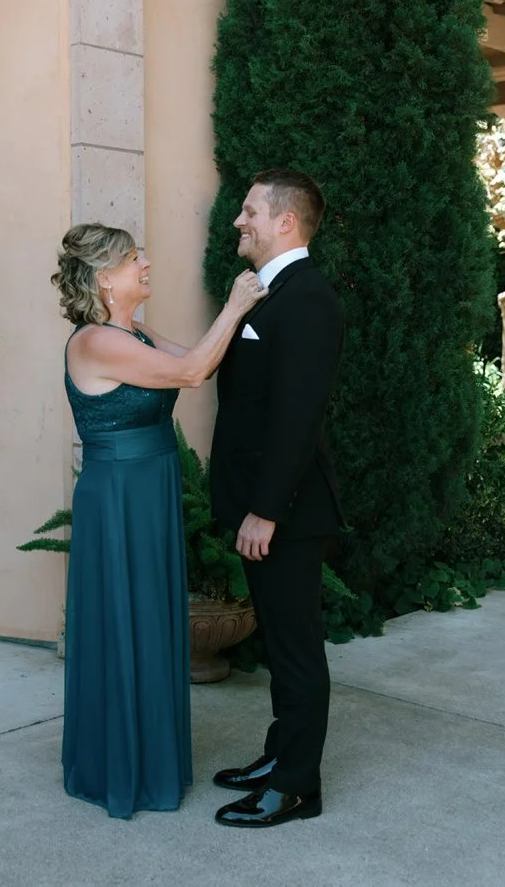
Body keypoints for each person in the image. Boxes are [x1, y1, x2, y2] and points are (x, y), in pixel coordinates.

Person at [52, 223, 264, 819]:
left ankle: (147, 755)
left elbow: (205, 359)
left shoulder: (133, 331)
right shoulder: (95, 342)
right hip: (117, 495)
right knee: (124, 617)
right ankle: (120, 766)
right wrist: (236, 304)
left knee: (149, 616)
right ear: (103, 277)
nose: (146, 263)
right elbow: (193, 372)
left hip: (151, 488)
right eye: (132, 258)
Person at [210, 169, 347, 827]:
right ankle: (278, 755)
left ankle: (295, 786)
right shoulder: (269, 291)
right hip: (262, 508)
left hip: (286, 514)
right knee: (281, 646)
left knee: (296, 650)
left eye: (250, 211)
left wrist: (266, 509)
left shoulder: (308, 299)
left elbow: (298, 416)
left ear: (285, 222)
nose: (240, 221)